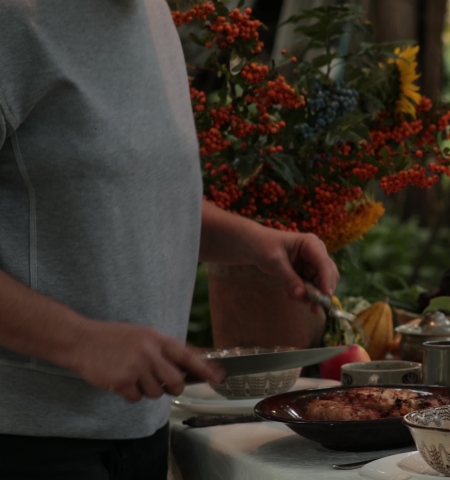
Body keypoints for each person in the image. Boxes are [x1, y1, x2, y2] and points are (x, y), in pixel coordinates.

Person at [0, 1, 339, 478]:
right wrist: (78, 341)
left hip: (140, 432)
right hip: (27, 444)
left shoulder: (153, 15)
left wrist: (255, 242)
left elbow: (123, 196)